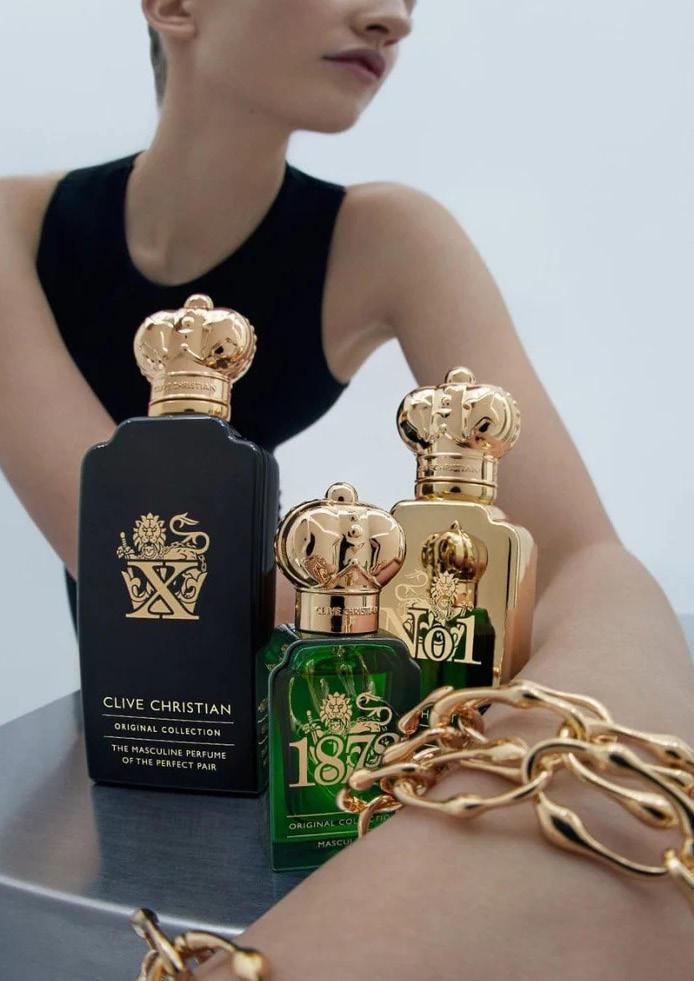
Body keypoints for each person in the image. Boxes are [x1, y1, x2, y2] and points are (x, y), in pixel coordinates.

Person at [0, 2, 691, 978]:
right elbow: (124, 544)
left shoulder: (391, 234)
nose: (391, 17)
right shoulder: (10, 228)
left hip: (306, 760)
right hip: (134, 777)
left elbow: (586, 558)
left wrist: (581, 781)